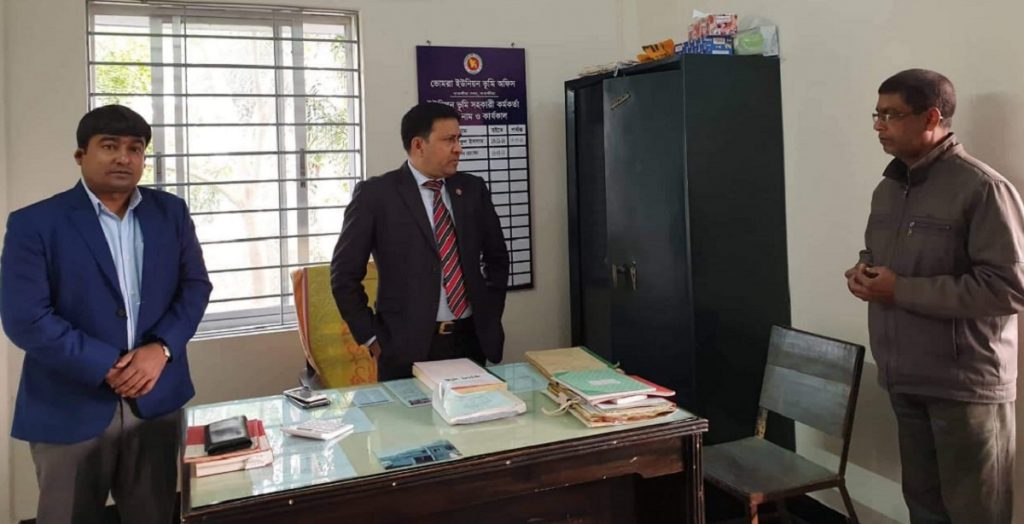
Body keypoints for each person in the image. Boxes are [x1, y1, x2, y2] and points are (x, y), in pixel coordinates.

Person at [0, 105, 212, 523]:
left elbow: (195, 287)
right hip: (69, 403)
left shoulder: (170, 212)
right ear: (81, 155)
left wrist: (162, 349)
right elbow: (26, 317)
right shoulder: (35, 223)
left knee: (154, 514)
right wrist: (106, 365)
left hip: (155, 398)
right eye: (110, 146)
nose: (123, 158)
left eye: (135, 148)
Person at [846, 69, 1024, 524]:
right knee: (924, 511)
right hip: (905, 379)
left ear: (931, 117)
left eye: (891, 115)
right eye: (876, 114)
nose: (878, 125)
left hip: (965, 387)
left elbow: (1008, 288)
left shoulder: (982, 188)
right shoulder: (888, 189)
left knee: (975, 514)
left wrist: (899, 289)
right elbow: (881, 257)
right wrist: (864, 274)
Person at [331, 102, 509, 380]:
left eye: (459, 139)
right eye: (449, 140)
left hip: (470, 339)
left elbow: (497, 258)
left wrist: (490, 314)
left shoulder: (472, 189)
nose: (458, 148)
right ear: (418, 145)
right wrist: (371, 337)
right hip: (404, 347)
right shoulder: (376, 195)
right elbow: (344, 275)